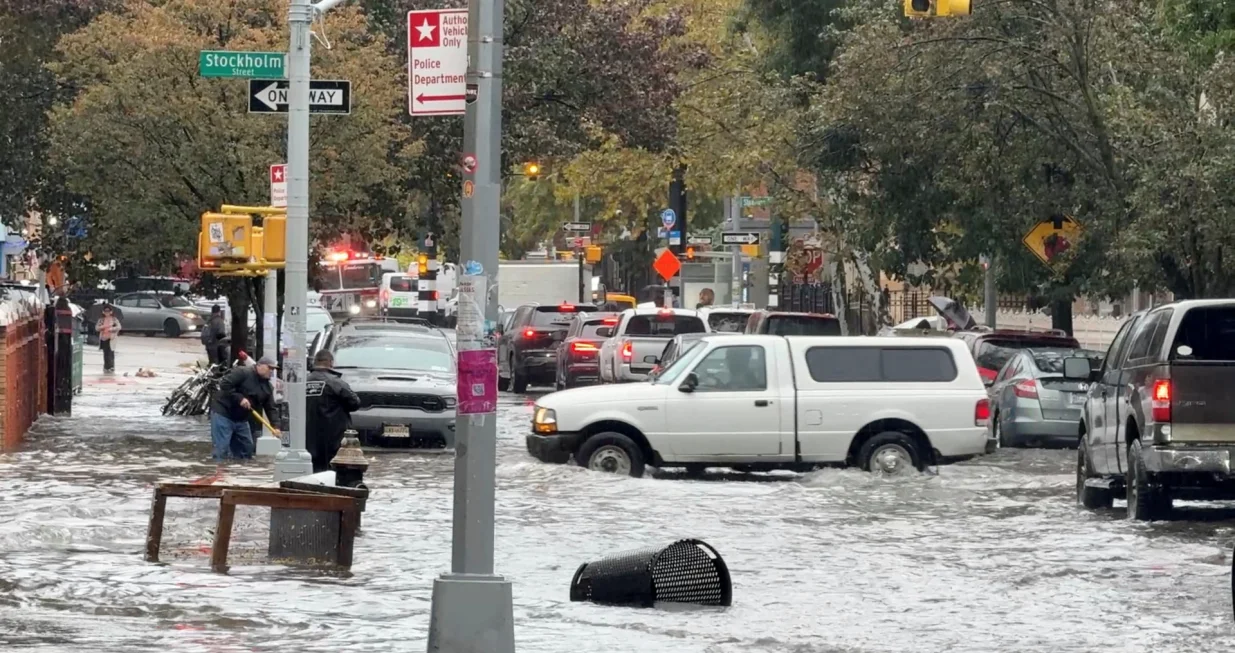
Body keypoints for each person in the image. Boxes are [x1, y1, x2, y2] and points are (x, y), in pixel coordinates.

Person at [209, 356, 279, 462]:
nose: (272, 371)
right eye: (270, 368)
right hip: (223, 413)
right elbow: (224, 384)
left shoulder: (267, 387)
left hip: (242, 419)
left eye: (273, 369)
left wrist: (276, 426)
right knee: (221, 449)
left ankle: (239, 473)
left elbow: (271, 408)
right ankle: (219, 473)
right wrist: (240, 398)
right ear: (259, 365)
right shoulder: (243, 372)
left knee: (246, 449)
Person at [305, 350, 361, 473]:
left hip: (308, 438)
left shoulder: (302, 382)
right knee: (333, 473)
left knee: (312, 472)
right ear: (330, 363)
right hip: (334, 437)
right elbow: (355, 403)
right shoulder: (336, 383)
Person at [95, 305, 121, 373]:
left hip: (111, 338)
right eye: (105, 311)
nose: (107, 313)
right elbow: (97, 328)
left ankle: (111, 367)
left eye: (108, 311)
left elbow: (119, 327)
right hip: (104, 338)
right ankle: (106, 367)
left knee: (111, 352)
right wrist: (102, 327)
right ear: (103, 312)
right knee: (105, 353)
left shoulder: (114, 319)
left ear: (111, 312)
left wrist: (112, 329)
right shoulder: (101, 320)